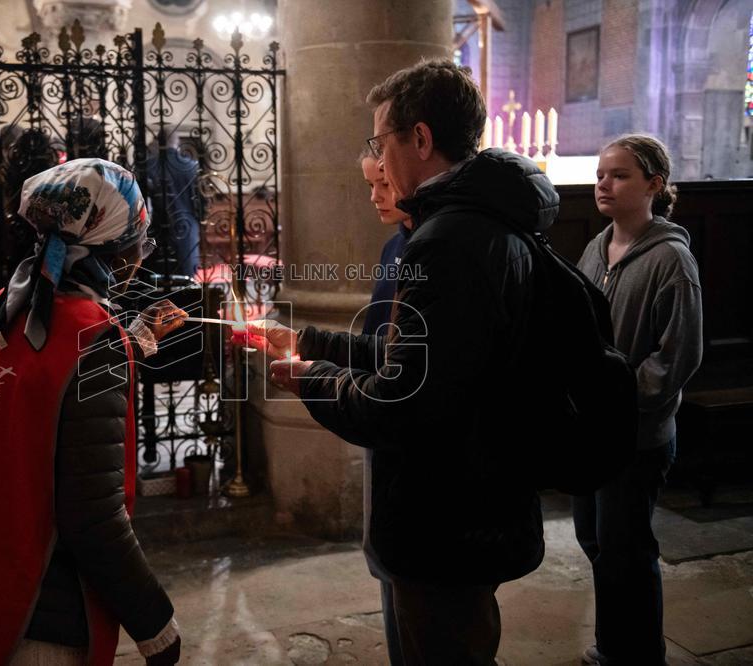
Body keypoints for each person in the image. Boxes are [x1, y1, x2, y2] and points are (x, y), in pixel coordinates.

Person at [249, 59, 553, 664]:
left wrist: (310, 379)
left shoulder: (447, 242)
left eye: (380, 142)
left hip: (446, 520)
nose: (378, 162)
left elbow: (399, 404)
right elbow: (410, 356)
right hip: (470, 506)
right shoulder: (483, 225)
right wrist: (309, 341)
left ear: (420, 138)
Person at [0, 158, 184, 666]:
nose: (141, 256)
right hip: (33, 613)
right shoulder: (93, 339)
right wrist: (156, 626)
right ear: (115, 251)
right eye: (140, 241)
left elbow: (40, 394)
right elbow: (93, 518)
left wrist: (128, 343)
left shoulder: (5, 307)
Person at [573, 134, 703, 666]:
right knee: (597, 542)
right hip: (588, 431)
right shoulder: (595, 246)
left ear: (654, 184)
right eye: (601, 173)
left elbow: (678, 357)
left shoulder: (671, 259)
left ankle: (641, 655)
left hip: (635, 436)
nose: (604, 183)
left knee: (628, 550)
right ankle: (613, 646)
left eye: (619, 175)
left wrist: (618, 397)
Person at [358, 149, 412, 664]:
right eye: (369, 185)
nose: (374, 196)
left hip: (407, 422)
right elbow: (377, 331)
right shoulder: (394, 247)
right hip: (381, 404)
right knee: (386, 561)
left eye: (382, 184)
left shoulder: (428, 250)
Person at [146, 133, 200, 276]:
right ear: (177, 142)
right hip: (187, 226)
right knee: (188, 275)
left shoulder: (148, 166)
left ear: (158, 142)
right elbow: (201, 199)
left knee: (158, 277)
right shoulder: (191, 166)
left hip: (158, 226)